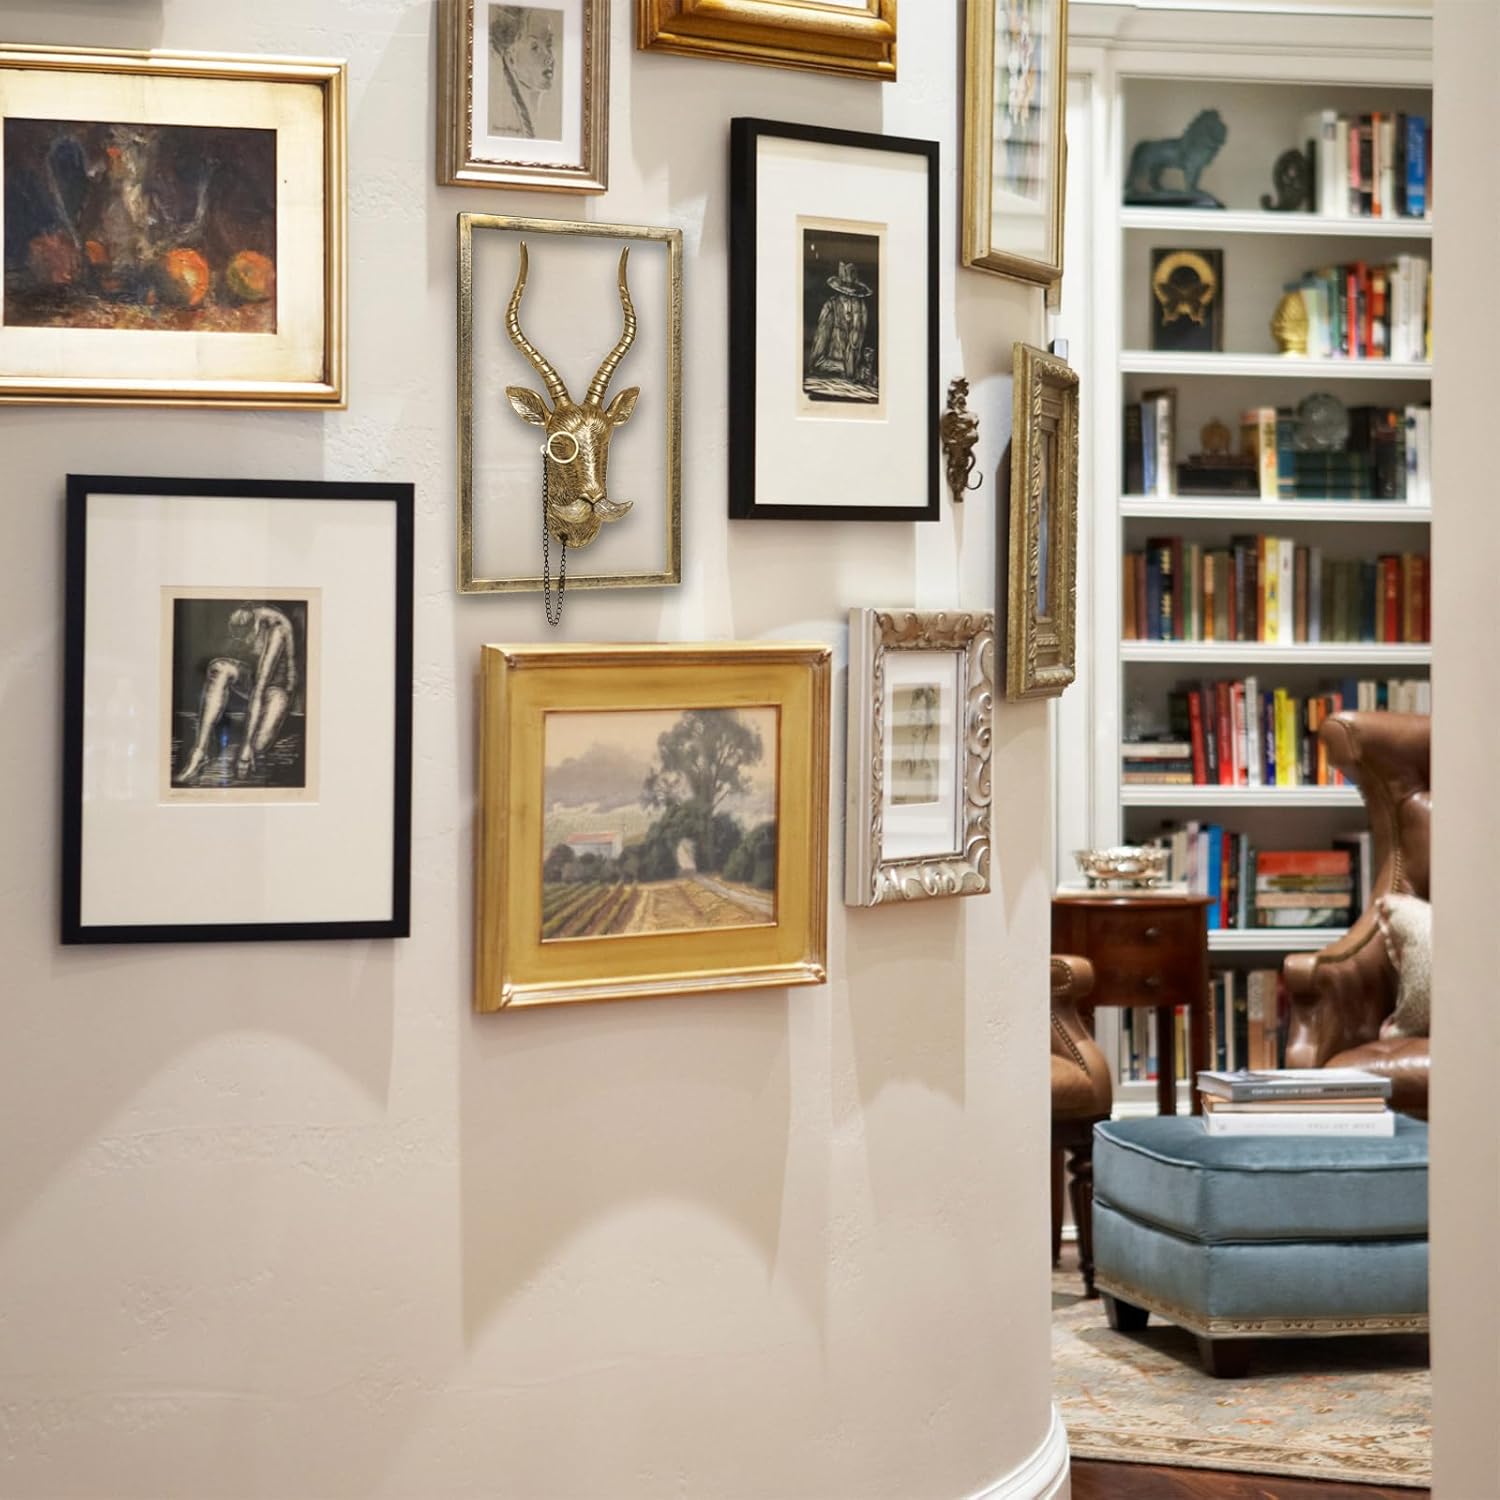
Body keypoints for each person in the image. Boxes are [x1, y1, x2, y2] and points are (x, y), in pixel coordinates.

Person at [175, 604, 298, 785]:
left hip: (277, 690)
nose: (245, 643)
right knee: (219, 668)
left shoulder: (276, 629)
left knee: (258, 745)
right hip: (254, 680)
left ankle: (251, 744)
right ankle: (199, 752)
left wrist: (246, 747)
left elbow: (260, 688)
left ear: (254, 627)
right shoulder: (244, 616)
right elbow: (253, 678)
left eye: (246, 638)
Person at [489, 7, 558, 141]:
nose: (549, 57)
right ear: (511, 57)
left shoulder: (550, 120)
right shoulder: (501, 116)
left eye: (549, 44)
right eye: (535, 47)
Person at [808, 260, 873, 388]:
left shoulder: (861, 310)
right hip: (831, 380)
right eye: (845, 297)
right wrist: (846, 369)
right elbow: (817, 359)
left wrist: (863, 369)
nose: (850, 304)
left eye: (853, 298)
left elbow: (858, 349)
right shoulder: (830, 307)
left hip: (853, 382)